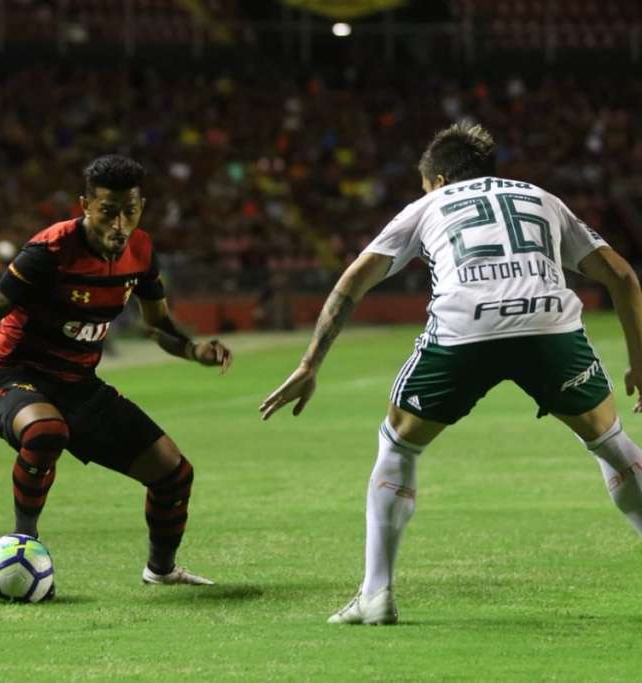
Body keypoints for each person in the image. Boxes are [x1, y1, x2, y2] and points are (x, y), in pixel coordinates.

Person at [261, 122, 642, 624]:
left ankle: (376, 596)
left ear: (437, 181)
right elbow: (621, 275)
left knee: (398, 444)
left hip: (466, 330)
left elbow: (355, 279)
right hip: (549, 325)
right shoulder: (542, 198)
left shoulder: (427, 206)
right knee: (610, 441)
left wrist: (310, 363)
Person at [0, 155, 232, 585]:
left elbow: (157, 325)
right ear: (85, 206)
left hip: (78, 387)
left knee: (174, 475)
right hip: (11, 377)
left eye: (129, 213)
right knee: (45, 432)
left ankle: (162, 571)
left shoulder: (141, 251)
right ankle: (25, 543)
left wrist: (193, 349)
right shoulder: (51, 251)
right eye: (108, 212)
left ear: (142, 208)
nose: (119, 225)